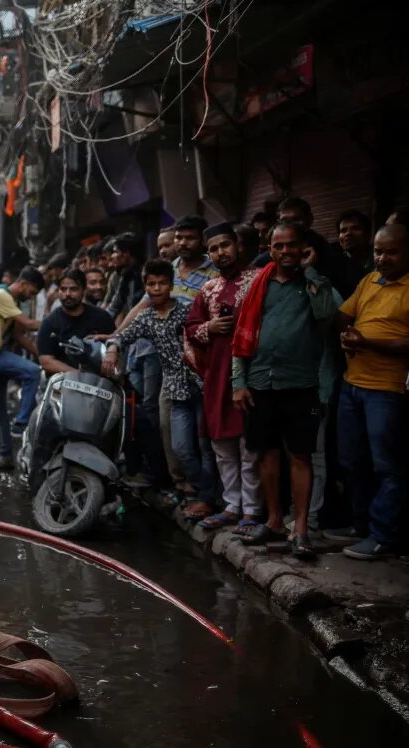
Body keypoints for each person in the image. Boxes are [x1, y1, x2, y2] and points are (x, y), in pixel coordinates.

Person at [232, 220, 338, 559]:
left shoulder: (314, 284)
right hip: (261, 382)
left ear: (302, 247)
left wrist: (311, 273)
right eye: (278, 246)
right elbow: (240, 338)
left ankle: (301, 528)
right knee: (265, 453)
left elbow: (327, 317)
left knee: (300, 455)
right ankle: (275, 521)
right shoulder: (259, 284)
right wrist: (239, 383)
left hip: (301, 384)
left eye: (291, 245)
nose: (285, 252)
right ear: (270, 248)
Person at [104, 260, 217, 519]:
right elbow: (123, 335)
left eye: (162, 283)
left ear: (171, 284)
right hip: (176, 388)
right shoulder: (147, 318)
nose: (157, 289)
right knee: (180, 447)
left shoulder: (188, 310)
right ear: (146, 287)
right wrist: (112, 348)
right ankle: (197, 490)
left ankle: (207, 498)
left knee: (205, 445)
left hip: (201, 384)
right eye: (151, 284)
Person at [329, 223, 409, 559]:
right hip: (353, 385)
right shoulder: (369, 281)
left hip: (387, 389)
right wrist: (348, 335)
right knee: (351, 460)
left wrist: (369, 342)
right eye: (378, 251)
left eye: (391, 251)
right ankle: (360, 525)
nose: (382, 258)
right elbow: (344, 314)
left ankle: (384, 537)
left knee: (387, 466)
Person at [184, 223, 261, 531]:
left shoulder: (258, 280)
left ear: (238, 245)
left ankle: (252, 510)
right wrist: (210, 328)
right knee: (222, 444)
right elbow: (190, 329)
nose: (220, 252)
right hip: (217, 375)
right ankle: (232, 505)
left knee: (249, 445)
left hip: (251, 374)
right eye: (214, 248)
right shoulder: (208, 289)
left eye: (225, 245)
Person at [0, 263, 43, 469]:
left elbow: (18, 336)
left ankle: (5, 455)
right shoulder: (1, 295)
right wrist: (55, 321)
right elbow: (30, 325)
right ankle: (21, 423)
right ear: (23, 283)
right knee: (33, 372)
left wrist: (43, 357)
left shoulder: (10, 299)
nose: (31, 297)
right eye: (32, 292)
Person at [36, 269, 115, 375]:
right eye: (63, 289)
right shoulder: (50, 322)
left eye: (73, 289)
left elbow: (115, 340)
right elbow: (46, 361)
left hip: (100, 382)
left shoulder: (101, 317)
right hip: (63, 383)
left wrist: (112, 351)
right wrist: (78, 375)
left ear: (83, 290)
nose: (67, 294)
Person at [325, 209, 375, 300]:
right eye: (343, 230)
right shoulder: (334, 265)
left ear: (368, 234)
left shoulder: (380, 260)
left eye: (355, 228)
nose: (348, 234)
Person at [106, 232, 144, 323]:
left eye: (115, 252)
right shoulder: (127, 275)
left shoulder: (145, 275)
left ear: (126, 253)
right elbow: (114, 307)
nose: (112, 256)